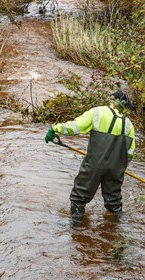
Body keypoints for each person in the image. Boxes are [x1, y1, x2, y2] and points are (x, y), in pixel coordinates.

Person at [45, 90, 136, 222]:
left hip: (94, 165)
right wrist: (119, 168)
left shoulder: (98, 112)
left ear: (112, 100)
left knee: (78, 198)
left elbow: (75, 127)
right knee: (114, 202)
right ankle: (114, 232)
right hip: (116, 169)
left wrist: (55, 129)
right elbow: (130, 153)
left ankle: (77, 232)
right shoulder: (129, 124)